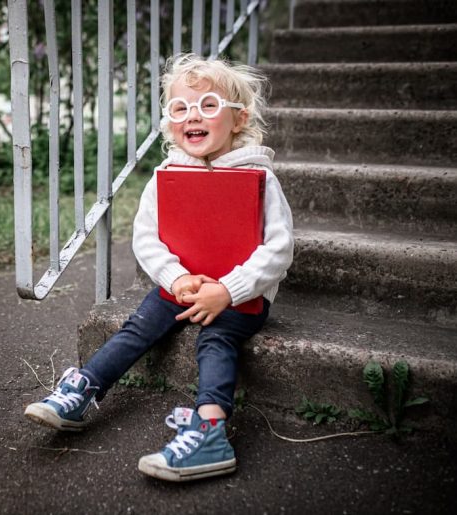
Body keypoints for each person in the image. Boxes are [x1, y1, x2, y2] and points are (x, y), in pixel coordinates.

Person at [24, 53, 294, 482]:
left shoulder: (260, 179)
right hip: (180, 285)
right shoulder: (166, 175)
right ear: (170, 122)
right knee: (139, 326)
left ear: (239, 119)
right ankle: (83, 390)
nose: (193, 116)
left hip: (240, 295)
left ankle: (210, 434)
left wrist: (228, 289)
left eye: (208, 105)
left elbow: (279, 250)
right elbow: (146, 238)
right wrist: (176, 277)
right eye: (180, 108)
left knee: (216, 340)